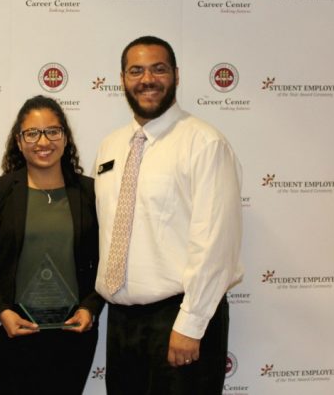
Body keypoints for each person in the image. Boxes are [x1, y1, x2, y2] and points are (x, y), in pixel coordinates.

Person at [94, 36, 243, 395]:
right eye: (136, 71)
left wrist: (190, 324)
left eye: (158, 69)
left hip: (180, 317)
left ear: (176, 75)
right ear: (122, 79)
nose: (147, 79)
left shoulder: (204, 143)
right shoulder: (111, 145)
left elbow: (216, 242)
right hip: (122, 323)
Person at [0, 95, 103, 395]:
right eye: (32, 133)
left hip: (72, 336)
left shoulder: (90, 193)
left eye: (53, 131)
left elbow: (108, 263)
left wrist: (91, 308)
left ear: (65, 138)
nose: (43, 141)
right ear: (19, 140)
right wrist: (2, 312)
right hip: (11, 335)